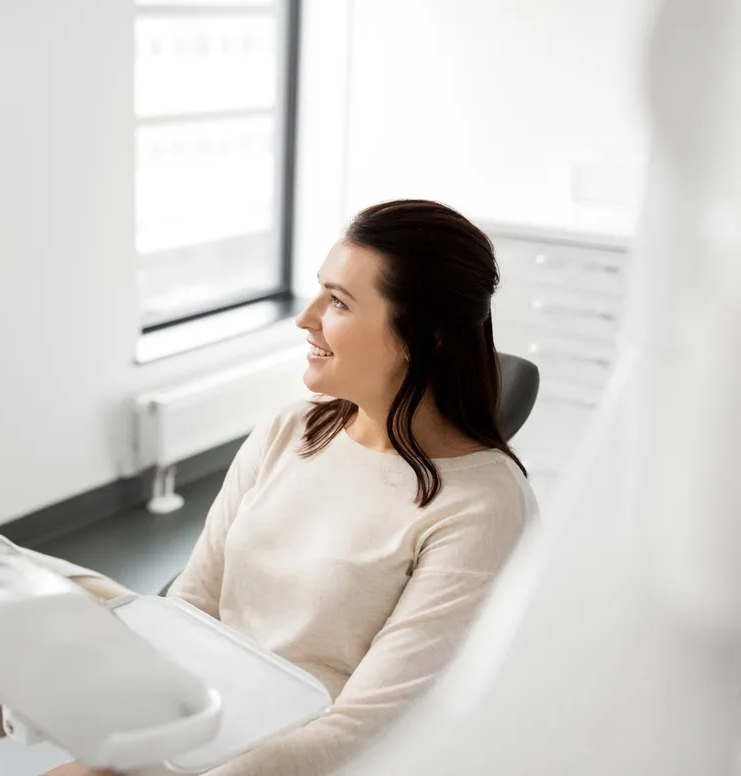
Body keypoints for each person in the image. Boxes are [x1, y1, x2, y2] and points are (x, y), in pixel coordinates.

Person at [44, 200, 537, 776]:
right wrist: (122, 753)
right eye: (320, 292)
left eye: (339, 302)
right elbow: (194, 605)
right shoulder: (290, 429)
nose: (307, 318)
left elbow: (363, 727)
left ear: (423, 337)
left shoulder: (482, 507)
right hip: (197, 733)